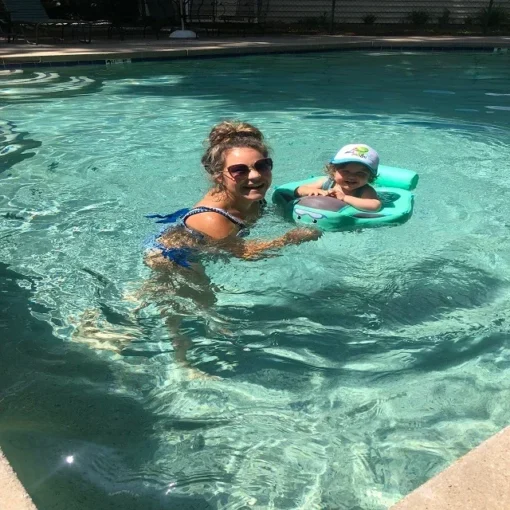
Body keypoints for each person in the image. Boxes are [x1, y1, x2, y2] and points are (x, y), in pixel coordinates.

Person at [294, 144, 382, 212]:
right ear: (333, 171)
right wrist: (315, 191)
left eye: (360, 173)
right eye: (345, 171)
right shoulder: (327, 183)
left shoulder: (364, 190)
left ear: (370, 177)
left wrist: (344, 198)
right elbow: (299, 190)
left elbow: (375, 205)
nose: (352, 176)